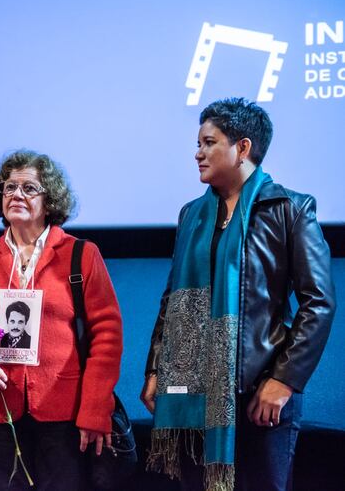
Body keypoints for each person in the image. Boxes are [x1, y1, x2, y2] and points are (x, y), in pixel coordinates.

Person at [140, 98, 336, 491]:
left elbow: (319, 303)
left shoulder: (290, 209)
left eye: (208, 142)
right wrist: (156, 368)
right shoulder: (191, 214)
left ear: (242, 148)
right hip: (191, 388)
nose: (197, 153)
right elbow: (171, 300)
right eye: (198, 143)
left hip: (259, 391)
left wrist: (284, 380)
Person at [0, 150, 123, 490]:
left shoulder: (81, 255)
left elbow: (107, 336)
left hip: (65, 414)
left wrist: (95, 408)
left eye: (29, 188)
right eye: (9, 187)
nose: (16, 194)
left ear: (50, 199)